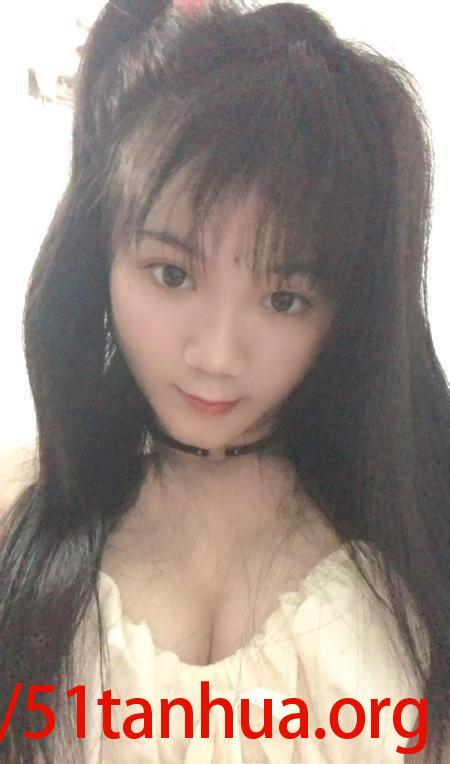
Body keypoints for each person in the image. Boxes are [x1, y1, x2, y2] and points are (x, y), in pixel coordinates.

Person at [0, 0, 448, 761]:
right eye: (171, 274)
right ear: (100, 258)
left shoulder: (419, 533)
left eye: (284, 298)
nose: (215, 355)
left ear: (349, 309)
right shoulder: (25, 516)